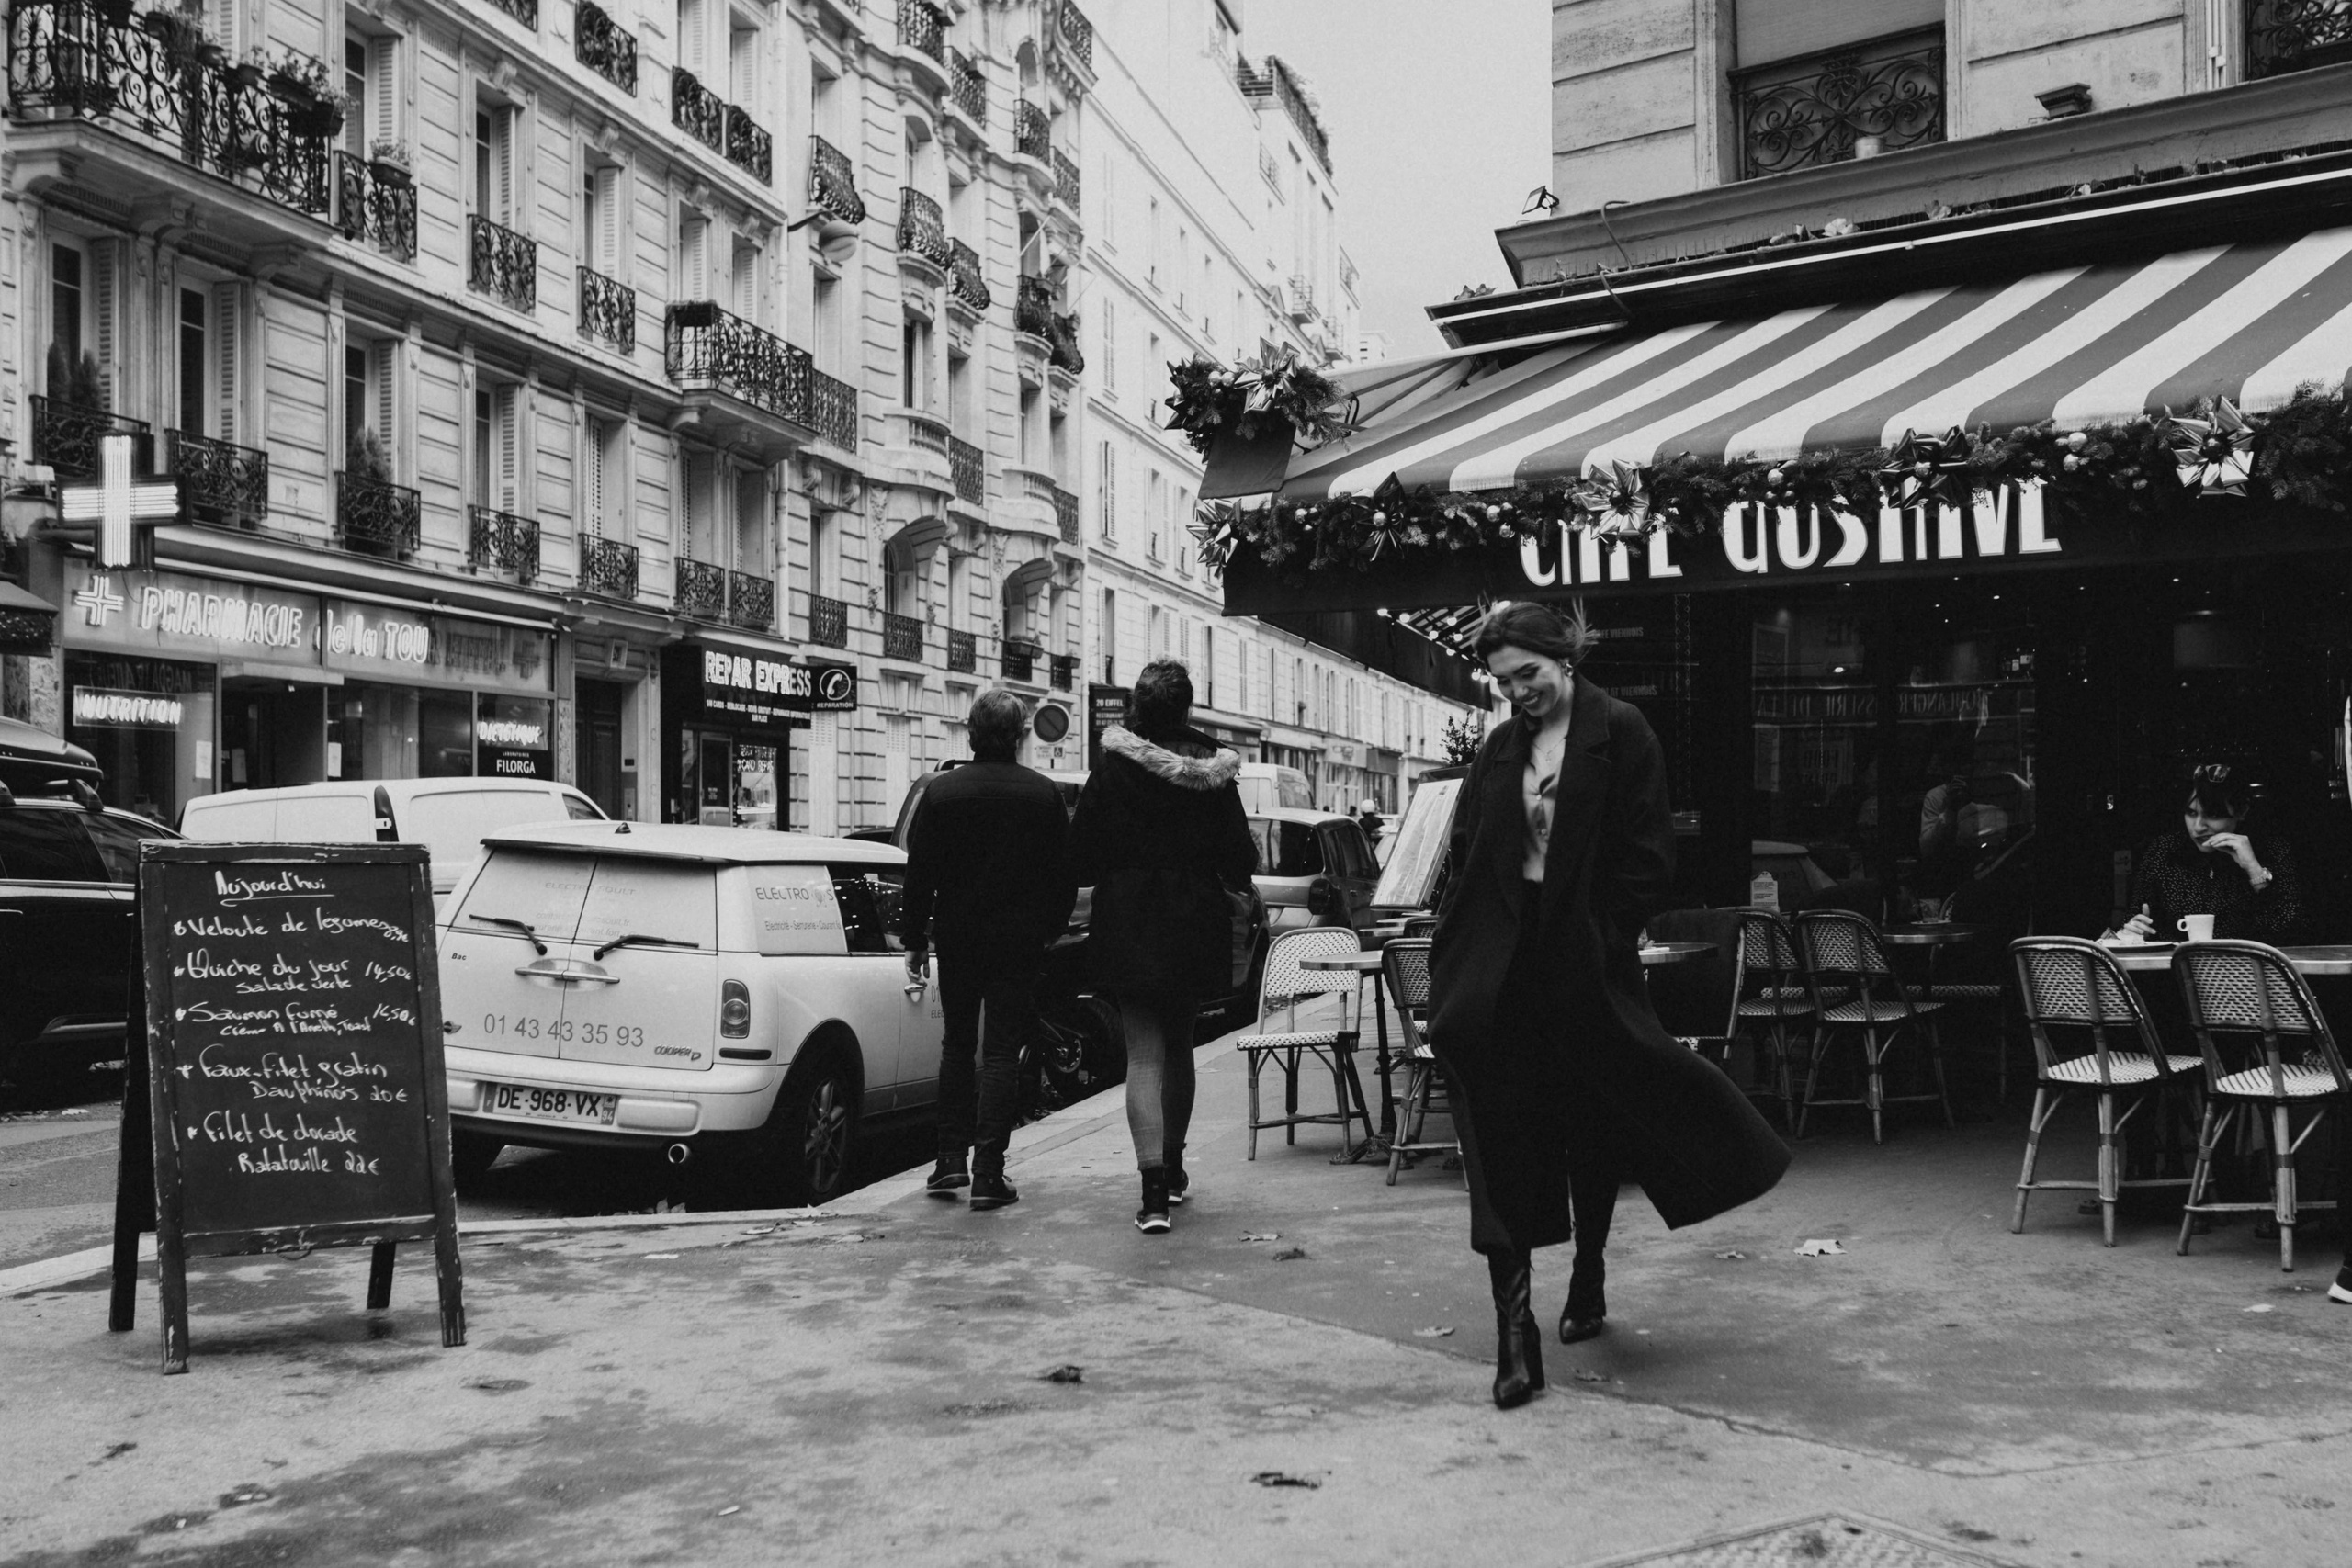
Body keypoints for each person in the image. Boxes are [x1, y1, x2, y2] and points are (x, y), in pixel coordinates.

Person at [1430, 601, 1790, 1409]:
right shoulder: (1497, 750)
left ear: (1566, 657)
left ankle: (1588, 1269)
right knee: (1502, 1139)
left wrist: (1600, 933)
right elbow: (1466, 853)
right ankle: (1513, 1333)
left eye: (1530, 674)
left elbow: (1649, 855)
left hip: (1583, 967)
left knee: (1591, 1125)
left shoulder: (1621, 731)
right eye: (1504, 680)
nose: (1519, 691)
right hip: (1499, 971)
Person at [1071, 659, 1257, 1234]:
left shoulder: (1112, 769)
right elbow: (1241, 861)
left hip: (1127, 918)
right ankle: (1174, 1171)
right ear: (1186, 707)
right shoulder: (1213, 769)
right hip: (1191, 919)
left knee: (1142, 1055)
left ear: (1137, 707)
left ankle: (1151, 1196)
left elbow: (1081, 856)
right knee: (1180, 1048)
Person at [900, 690, 1077, 1211]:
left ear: (972, 734)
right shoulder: (1043, 795)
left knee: (957, 1044)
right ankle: (988, 1173)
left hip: (958, 937)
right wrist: (1047, 930)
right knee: (1001, 1051)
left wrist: (915, 940)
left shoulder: (942, 793)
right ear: (1020, 735)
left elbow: (919, 874)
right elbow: (1063, 878)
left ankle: (949, 1160)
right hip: (1018, 941)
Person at [2104, 763, 2304, 944]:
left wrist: (2254, 870)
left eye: (2213, 815)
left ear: (2241, 811)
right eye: (2191, 813)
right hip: (2174, 974)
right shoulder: (2165, 851)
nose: (2198, 827)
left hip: (2246, 976)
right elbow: (2134, 921)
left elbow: (2292, 934)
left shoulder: (2272, 850)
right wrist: (2135, 931)